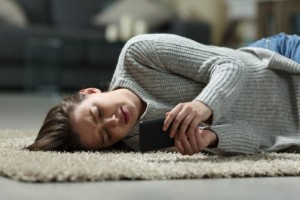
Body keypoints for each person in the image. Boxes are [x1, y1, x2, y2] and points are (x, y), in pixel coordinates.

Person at [25, 32, 300, 156]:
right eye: (106, 136)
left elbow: (231, 66)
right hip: (291, 128)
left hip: (279, 63)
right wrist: (212, 140)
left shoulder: (139, 54)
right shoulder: (142, 140)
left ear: (90, 92)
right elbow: (259, 138)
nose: (112, 122)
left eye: (98, 112)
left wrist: (202, 105)